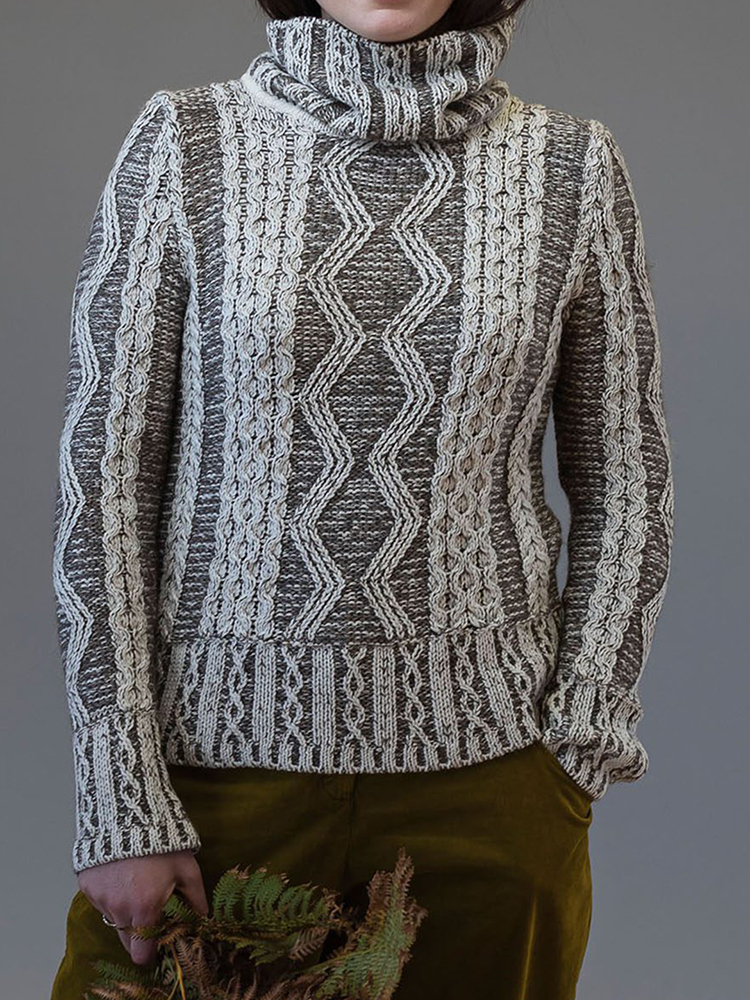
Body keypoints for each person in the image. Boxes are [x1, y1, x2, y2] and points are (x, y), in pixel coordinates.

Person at [49, 0, 675, 997]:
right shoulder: (185, 142)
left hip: (493, 795)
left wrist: (579, 743)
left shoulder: (574, 167)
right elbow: (104, 486)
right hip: (211, 792)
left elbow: (626, 477)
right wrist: (119, 798)